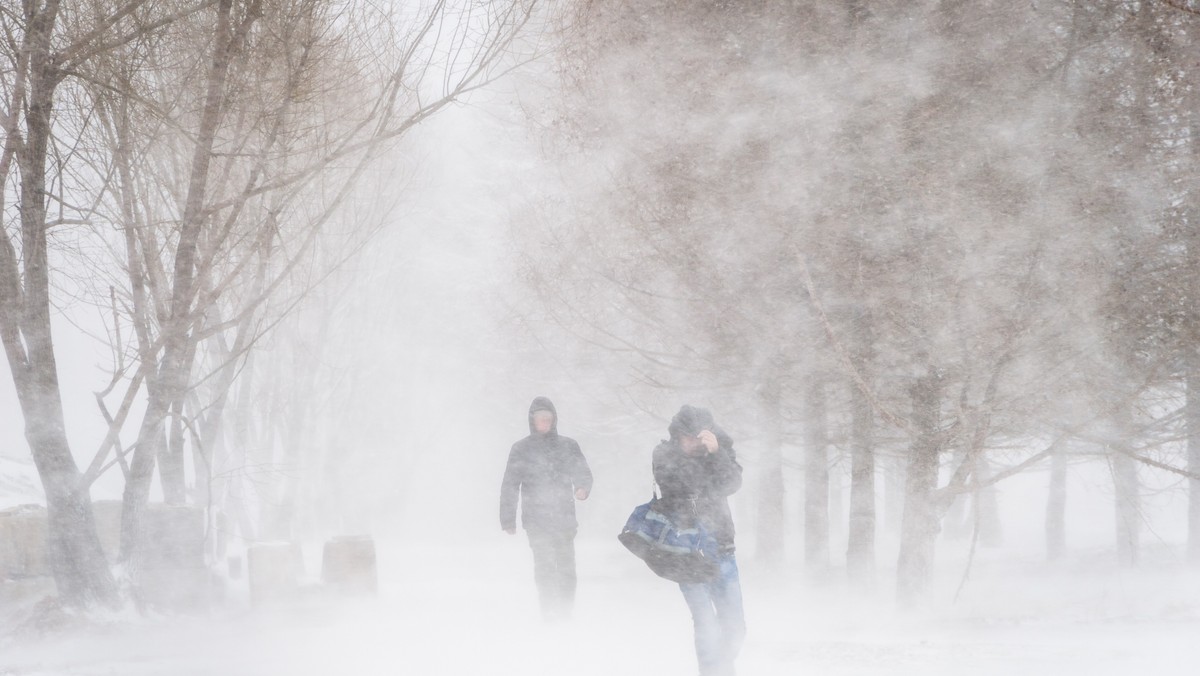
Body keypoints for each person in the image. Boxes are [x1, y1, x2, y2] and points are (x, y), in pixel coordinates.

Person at [652, 404, 745, 676]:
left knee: (735, 626)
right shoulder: (664, 454)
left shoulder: (720, 452)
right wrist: (701, 459)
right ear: (677, 436)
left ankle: (722, 669)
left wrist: (716, 453)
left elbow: (730, 484)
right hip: (686, 552)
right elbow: (676, 487)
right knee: (706, 624)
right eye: (688, 437)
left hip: (722, 547)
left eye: (699, 436)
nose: (694, 442)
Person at [500, 396, 593, 620]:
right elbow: (510, 484)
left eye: (548, 418)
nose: (544, 422)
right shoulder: (521, 449)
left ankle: (565, 611)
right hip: (536, 521)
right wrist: (507, 519)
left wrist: (582, 488)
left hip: (564, 519)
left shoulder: (568, 446)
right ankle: (549, 611)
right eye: (540, 418)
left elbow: (583, 472)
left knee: (566, 568)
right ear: (532, 420)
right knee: (544, 568)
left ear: (554, 420)